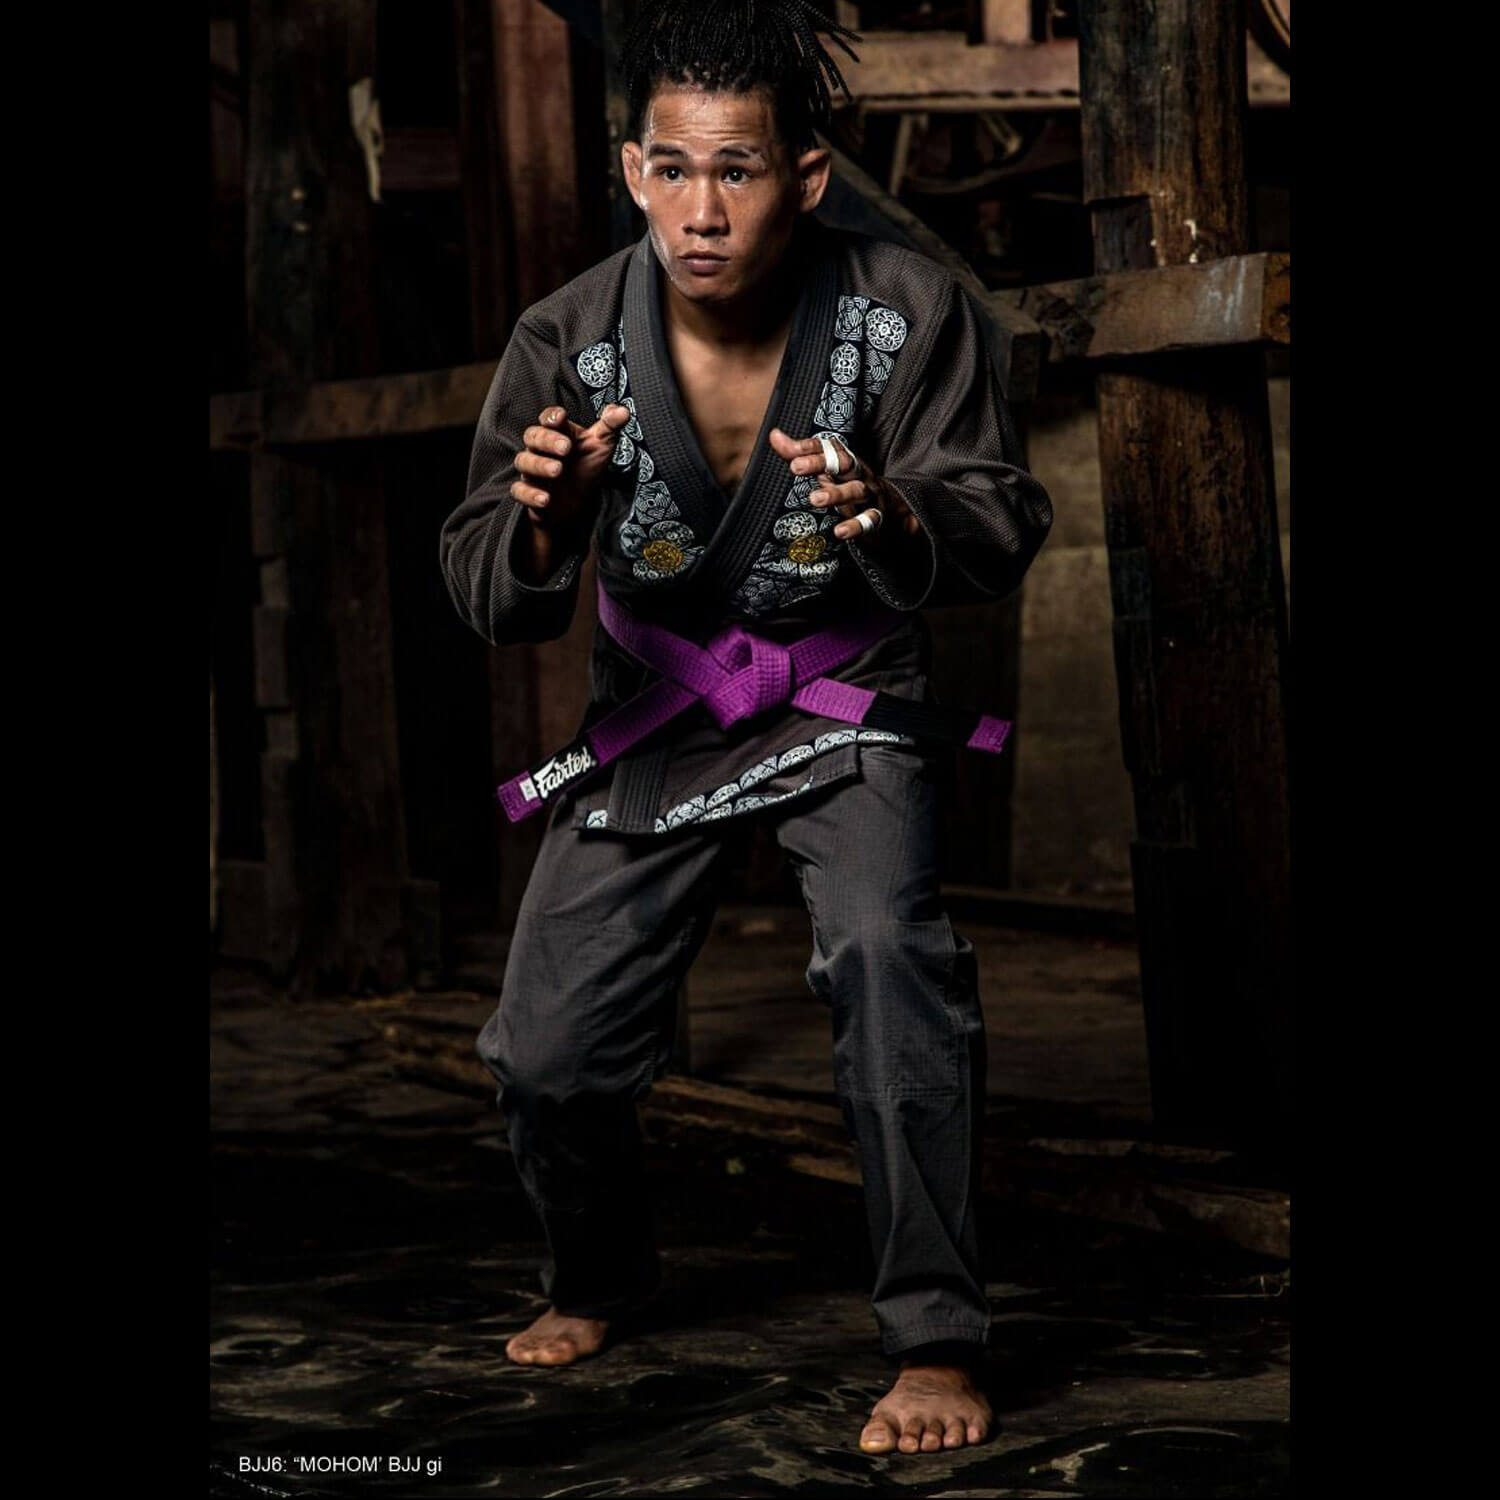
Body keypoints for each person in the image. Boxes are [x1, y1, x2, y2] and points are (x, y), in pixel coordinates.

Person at [438, 0, 1053, 1457]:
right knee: (545, 1052)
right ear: (634, 170)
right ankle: (601, 1271)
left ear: (807, 176)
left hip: (846, 705)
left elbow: (997, 513)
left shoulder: (911, 310)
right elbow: (480, 576)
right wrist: (545, 524)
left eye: (739, 170)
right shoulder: (564, 338)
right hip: (657, 718)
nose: (702, 212)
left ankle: (936, 1338)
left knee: (891, 961)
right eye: (673, 169)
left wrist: (898, 511)